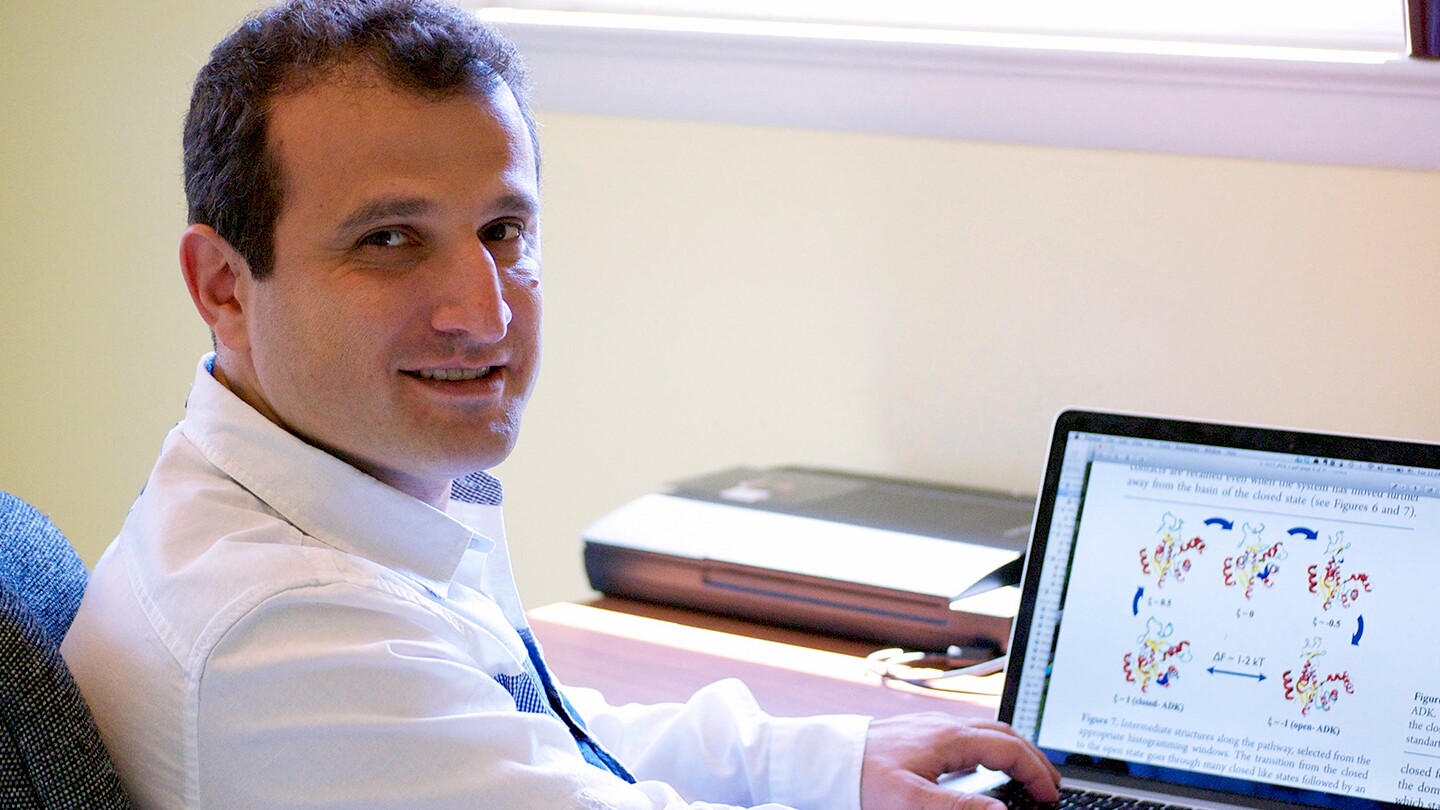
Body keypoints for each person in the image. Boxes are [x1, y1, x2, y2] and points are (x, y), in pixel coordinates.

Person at [60, 1, 1063, 808]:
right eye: (388, 240)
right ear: (224, 287)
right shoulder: (285, 631)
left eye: (503, 230)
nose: (481, 312)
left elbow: (541, 737)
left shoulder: (333, 501)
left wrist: (827, 763)